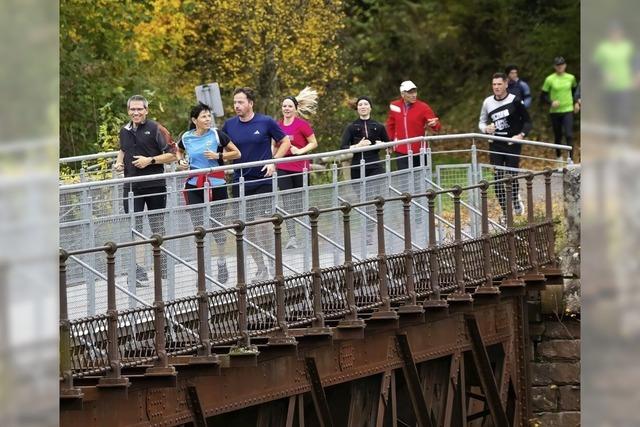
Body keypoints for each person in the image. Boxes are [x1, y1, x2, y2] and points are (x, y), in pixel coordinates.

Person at [221, 87, 291, 281]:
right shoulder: (229, 125)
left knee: (263, 226)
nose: (237, 105)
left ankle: (273, 264)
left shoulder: (265, 121)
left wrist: (274, 161)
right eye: (235, 102)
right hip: (240, 181)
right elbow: (219, 146)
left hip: (263, 180)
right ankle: (261, 268)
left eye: (241, 102)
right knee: (247, 227)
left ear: (251, 103)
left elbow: (284, 141)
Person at [114, 94, 177, 282]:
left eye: (139, 109)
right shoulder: (124, 130)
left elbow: (173, 154)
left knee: (157, 226)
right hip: (132, 186)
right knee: (134, 228)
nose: (136, 112)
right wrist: (118, 163)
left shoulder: (156, 128)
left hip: (155, 185)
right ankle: (138, 270)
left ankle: (162, 266)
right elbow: (123, 149)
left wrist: (150, 160)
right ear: (128, 111)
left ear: (146, 110)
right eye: (132, 109)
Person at [176, 102, 241, 284]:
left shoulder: (217, 134)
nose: (207, 119)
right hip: (194, 185)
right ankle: (202, 270)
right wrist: (180, 162)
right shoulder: (187, 137)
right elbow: (178, 152)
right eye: (203, 116)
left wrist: (218, 156)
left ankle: (221, 262)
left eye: (208, 116)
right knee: (199, 229)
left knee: (217, 226)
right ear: (194, 120)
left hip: (216, 184)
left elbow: (237, 153)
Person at [478, 73, 532, 219]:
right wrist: (485, 129)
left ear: (506, 84)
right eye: (494, 84)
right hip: (495, 145)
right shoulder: (488, 102)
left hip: (512, 144)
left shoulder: (515, 100)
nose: (496, 87)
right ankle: (505, 212)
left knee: (511, 176)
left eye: (499, 84)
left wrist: (520, 136)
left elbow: (528, 122)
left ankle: (515, 198)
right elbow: (481, 122)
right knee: (497, 179)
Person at [341, 96, 389, 244]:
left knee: (371, 197)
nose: (363, 106)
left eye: (366, 104)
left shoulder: (379, 126)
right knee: (363, 201)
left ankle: (368, 233)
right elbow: (342, 147)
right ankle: (367, 229)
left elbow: (389, 145)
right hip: (357, 167)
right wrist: (357, 146)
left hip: (374, 166)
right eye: (360, 104)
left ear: (370, 107)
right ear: (357, 108)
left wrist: (382, 144)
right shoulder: (351, 127)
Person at [277, 87, 319, 249]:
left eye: (289, 106)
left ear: (295, 109)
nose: (286, 109)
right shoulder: (278, 126)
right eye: (284, 106)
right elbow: (274, 145)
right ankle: (292, 237)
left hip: (300, 167)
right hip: (283, 167)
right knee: (287, 201)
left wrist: (299, 151)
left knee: (301, 201)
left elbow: (314, 143)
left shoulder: (302, 124)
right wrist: (272, 161)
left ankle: (308, 232)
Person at [386, 80, 441, 170]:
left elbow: (437, 127)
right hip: (401, 149)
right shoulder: (394, 106)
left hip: (420, 150)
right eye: (410, 92)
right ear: (402, 94)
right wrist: (389, 142)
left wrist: (434, 124)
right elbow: (390, 125)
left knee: (421, 179)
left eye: (415, 92)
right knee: (405, 180)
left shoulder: (423, 107)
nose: (414, 95)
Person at [541, 56, 579, 161]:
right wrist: (551, 102)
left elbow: (576, 92)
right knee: (558, 135)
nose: (560, 67)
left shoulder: (571, 78)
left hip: (568, 109)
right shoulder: (549, 79)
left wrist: (576, 102)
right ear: (554, 67)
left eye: (561, 65)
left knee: (569, 134)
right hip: (555, 112)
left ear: (565, 65)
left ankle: (570, 159)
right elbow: (543, 96)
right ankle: (558, 157)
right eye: (558, 65)